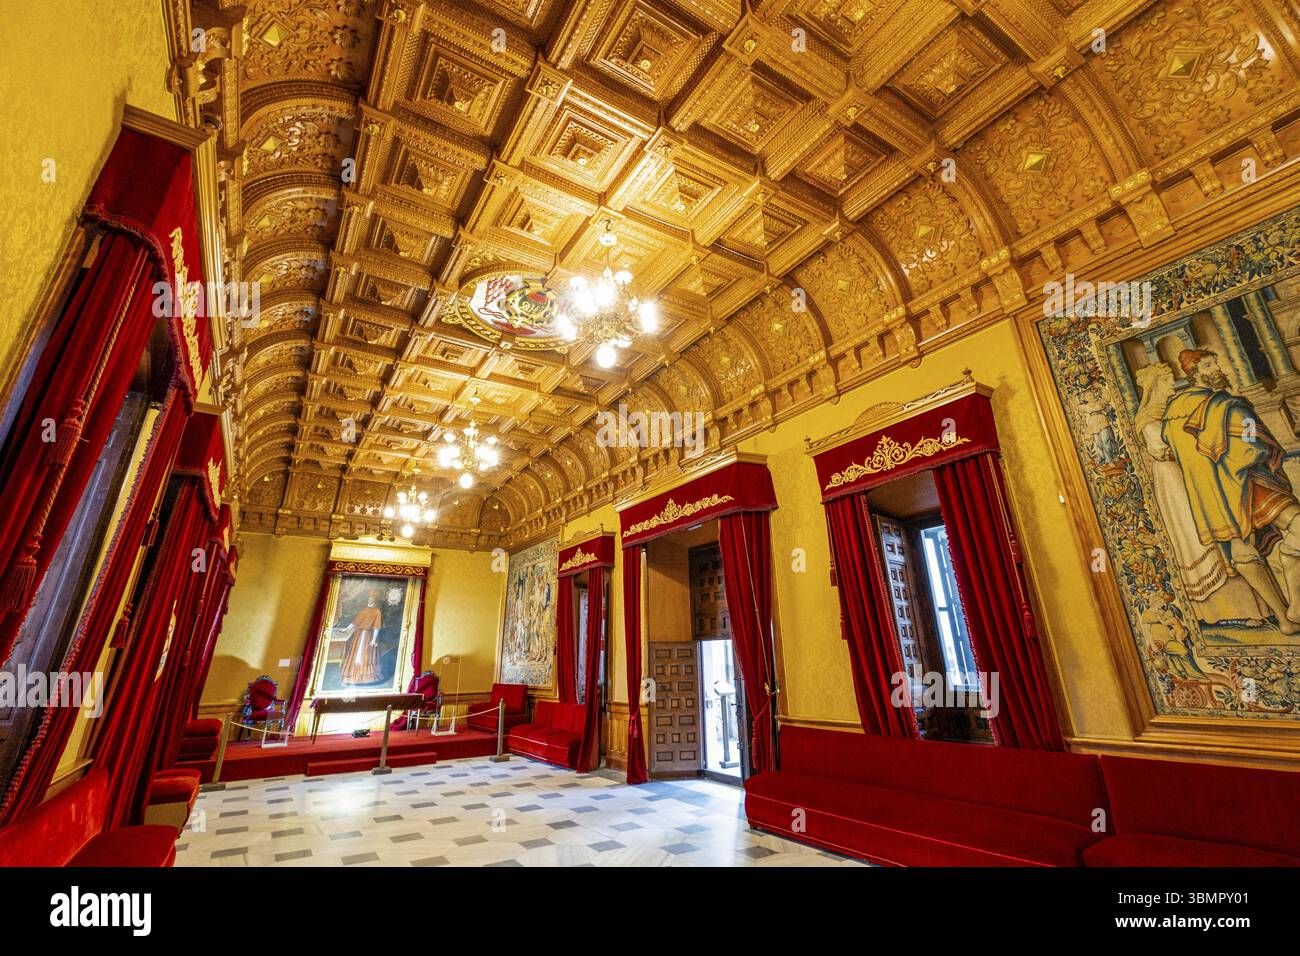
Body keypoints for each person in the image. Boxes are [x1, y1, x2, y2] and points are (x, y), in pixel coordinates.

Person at [1161, 349, 1300, 634]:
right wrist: (1259, 450)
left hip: (1211, 497)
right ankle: (1294, 598)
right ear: (1195, 372)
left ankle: (1285, 619)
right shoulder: (1227, 405)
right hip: (1247, 483)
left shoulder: (1172, 414)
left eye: (1216, 361)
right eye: (1210, 364)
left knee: (1241, 551)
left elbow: (1176, 451)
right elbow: (1252, 443)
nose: (1217, 367)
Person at [1133, 363, 1266, 624]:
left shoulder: (1171, 413)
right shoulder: (1148, 421)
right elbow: (1165, 450)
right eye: (1167, 382)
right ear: (1155, 387)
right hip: (1174, 481)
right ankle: (1222, 610)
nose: (1172, 387)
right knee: (1195, 537)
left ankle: (1248, 606)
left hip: (1190, 475)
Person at [339, 589, 384, 684]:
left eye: (372, 599)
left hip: (368, 636)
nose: (370, 601)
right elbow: (355, 622)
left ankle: (365, 677)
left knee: (366, 655)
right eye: (369, 599)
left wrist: (374, 639)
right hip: (358, 635)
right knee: (356, 654)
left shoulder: (377, 611)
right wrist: (346, 629)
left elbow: (376, 626)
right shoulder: (363, 611)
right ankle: (353, 676)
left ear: (375, 601)